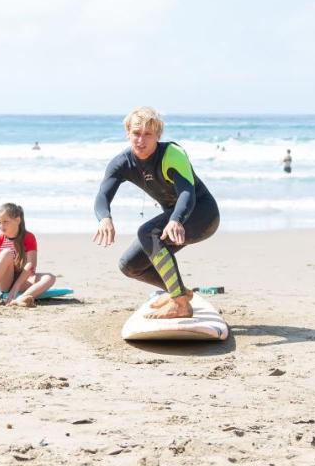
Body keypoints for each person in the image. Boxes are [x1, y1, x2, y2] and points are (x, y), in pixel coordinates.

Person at [93, 106, 220, 320]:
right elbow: (102, 195)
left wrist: (175, 219)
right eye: (136, 133)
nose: (140, 140)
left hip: (201, 215)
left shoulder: (172, 154)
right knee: (130, 266)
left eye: (147, 134)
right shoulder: (121, 163)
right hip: (173, 220)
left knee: (147, 232)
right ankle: (178, 291)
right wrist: (104, 217)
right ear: (127, 133)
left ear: (158, 136)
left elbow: (187, 193)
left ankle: (180, 304)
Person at [0, 203, 56, 307]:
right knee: (7, 253)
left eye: (5, 222)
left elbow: (32, 264)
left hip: (22, 280)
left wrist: (16, 288)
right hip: (6, 281)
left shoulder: (28, 237)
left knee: (50, 277)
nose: (1, 226)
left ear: (17, 220)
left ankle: (20, 299)